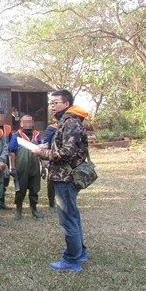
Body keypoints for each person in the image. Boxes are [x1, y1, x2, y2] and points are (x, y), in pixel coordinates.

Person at [31, 90, 90, 271]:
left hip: (65, 178)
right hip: (65, 177)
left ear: (66, 104)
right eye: (51, 103)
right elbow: (64, 146)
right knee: (73, 215)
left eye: (56, 102)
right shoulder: (66, 122)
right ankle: (79, 252)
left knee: (68, 219)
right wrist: (47, 146)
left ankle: (72, 261)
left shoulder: (70, 123)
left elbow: (66, 153)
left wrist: (42, 153)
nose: (52, 106)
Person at [9, 115, 44, 220]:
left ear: (32, 123)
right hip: (21, 167)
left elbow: (42, 151)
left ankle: (34, 209)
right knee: (20, 189)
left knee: (35, 189)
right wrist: (13, 168)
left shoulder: (37, 135)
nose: (28, 123)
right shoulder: (16, 136)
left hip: (34, 167)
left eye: (30, 121)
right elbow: (12, 152)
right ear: (21, 123)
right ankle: (19, 210)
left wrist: (43, 165)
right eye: (26, 121)